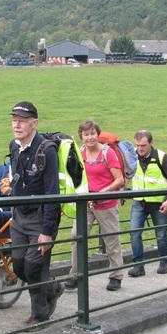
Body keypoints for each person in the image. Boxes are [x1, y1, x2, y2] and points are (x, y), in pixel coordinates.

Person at [8, 101, 64, 326]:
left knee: (34, 266)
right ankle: (52, 288)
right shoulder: (14, 146)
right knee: (19, 265)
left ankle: (39, 315)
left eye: (22, 121)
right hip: (19, 217)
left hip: (39, 218)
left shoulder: (46, 150)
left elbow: (53, 192)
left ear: (34, 123)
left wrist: (47, 231)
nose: (17, 125)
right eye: (14, 120)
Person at [65, 119, 125, 292]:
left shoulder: (108, 153)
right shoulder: (80, 152)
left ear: (98, 134)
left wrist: (103, 192)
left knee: (111, 240)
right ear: (81, 136)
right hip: (86, 203)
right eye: (86, 134)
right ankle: (76, 275)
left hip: (106, 203)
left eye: (92, 133)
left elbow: (119, 180)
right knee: (77, 236)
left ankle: (116, 276)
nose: (90, 137)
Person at [128, 130, 167, 277]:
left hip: (159, 203)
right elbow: (127, 173)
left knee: (161, 235)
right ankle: (138, 266)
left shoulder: (162, 157)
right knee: (134, 233)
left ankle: (164, 262)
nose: (140, 148)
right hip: (139, 202)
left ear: (151, 143)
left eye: (143, 145)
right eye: (137, 145)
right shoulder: (132, 157)